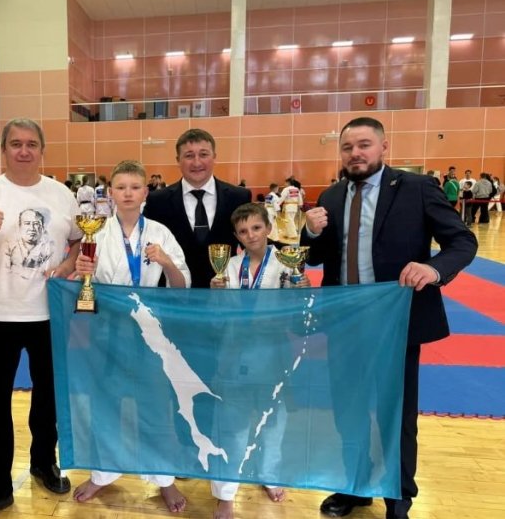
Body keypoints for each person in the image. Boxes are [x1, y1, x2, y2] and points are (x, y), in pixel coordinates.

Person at [301, 116, 477, 519]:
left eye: (364, 145)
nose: (355, 153)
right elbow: (316, 258)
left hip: (396, 322)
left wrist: (433, 269)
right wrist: (309, 233)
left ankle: (398, 498)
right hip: (345, 322)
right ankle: (355, 486)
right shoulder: (331, 195)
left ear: (384, 147)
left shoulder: (417, 188)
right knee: (348, 410)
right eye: (347, 147)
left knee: (396, 414)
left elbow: (462, 241)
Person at [0, 118, 82, 519]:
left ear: (42, 149)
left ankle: (43, 462)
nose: (24, 151)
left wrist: (68, 264)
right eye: (15, 144)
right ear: (4, 149)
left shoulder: (62, 194)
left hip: (50, 313)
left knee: (48, 398)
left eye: (31, 144)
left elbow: (79, 241)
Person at [71, 160, 191, 512]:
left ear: (145, 192)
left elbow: (182, 286)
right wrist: (82, 272)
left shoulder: (160, 233)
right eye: (121, 187)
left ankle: (164, 480)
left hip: (150, 333)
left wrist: (166, 262)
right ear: (110, 192)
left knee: (155, 407)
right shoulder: (96, 233)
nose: (127, 194)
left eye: (134, 187)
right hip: (108, 332)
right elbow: (84, 291)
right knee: (106, 405)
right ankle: (102, 474)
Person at [209, 202, 312, 518]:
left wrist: (303, 290)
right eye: (243, 231)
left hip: (273, 354)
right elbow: (215, 318)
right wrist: (214, 294)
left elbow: (300, 316)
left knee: (273, 422)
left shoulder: (286, 263)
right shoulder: (227, 266)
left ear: (268, 228)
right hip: (233, 354)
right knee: (232, 426)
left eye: (256, 228)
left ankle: (269, 474)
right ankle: (225, 493)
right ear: (236, 237)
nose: (250, 235)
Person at [143, 128, 251, 288]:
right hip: (173, 294)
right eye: (189, 156)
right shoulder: (157, 201)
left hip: (222, 293)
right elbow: (145, 247)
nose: (197, 163)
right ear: (178, 160)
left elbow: (252, 244)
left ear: (214, 157)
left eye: (203, 154)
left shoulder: (239, 197)